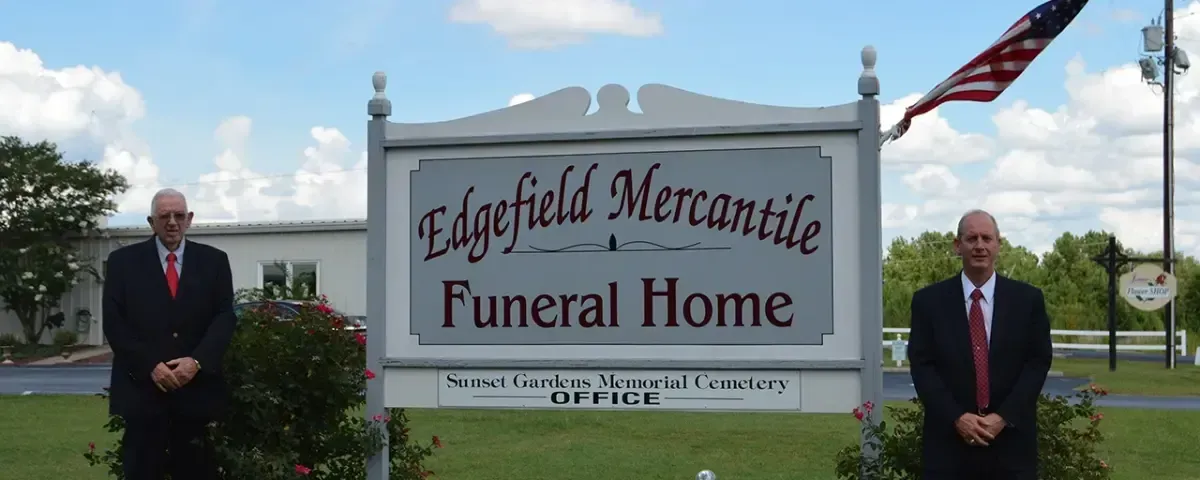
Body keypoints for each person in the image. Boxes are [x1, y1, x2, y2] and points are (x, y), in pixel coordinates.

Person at [906, 209, 1053, 480]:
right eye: (971, 238)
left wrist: (1002, 417)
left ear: (998, 244)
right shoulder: (928, 302)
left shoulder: (1028, 300)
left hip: (1011, 445)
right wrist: (958, 418)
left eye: (987, 238)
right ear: (957, 245)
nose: (980, 246)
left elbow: (1038, 362)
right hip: (948, 446)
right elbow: (922, 366)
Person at [102, 188, 236, 479]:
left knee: (197, 470)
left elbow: (225, 317)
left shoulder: (214, 261)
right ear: (152, 222)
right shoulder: (122, 263)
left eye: (179, 215)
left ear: (189, 219)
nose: (172, 222)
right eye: (165, 216)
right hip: (142, 393)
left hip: (196, 393)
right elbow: (114, 323)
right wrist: (150, 366)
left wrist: (196, 362)